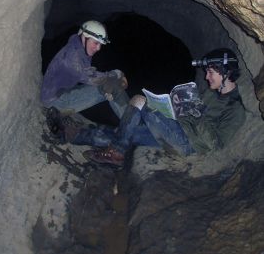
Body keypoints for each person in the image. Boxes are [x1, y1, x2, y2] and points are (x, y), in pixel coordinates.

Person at [65, 48, 246, 166]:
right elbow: (189, 115)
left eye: (211, 73)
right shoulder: (210, 93)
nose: (207, 77)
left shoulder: (235, 109)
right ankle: (76, 135)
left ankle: (117, 154)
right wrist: (174, 108)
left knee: (138, 100)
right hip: (176, 129)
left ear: (226, 72)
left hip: (188, 144)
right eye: (207, 72)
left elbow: (217, 145)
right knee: (129, 133)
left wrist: (197, 116)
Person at [41, 20, 129, 127]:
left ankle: (130, 122)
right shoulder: (72, 57)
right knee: (112, 86)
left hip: (61, 92)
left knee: (109, 86)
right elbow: (92, 77)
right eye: (96, 43)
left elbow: (87, 73)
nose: (98, 48)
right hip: (56, 104)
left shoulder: (78, 47)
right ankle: (131, 127)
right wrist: (117, 73)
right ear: (84, 36)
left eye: (100, 44)